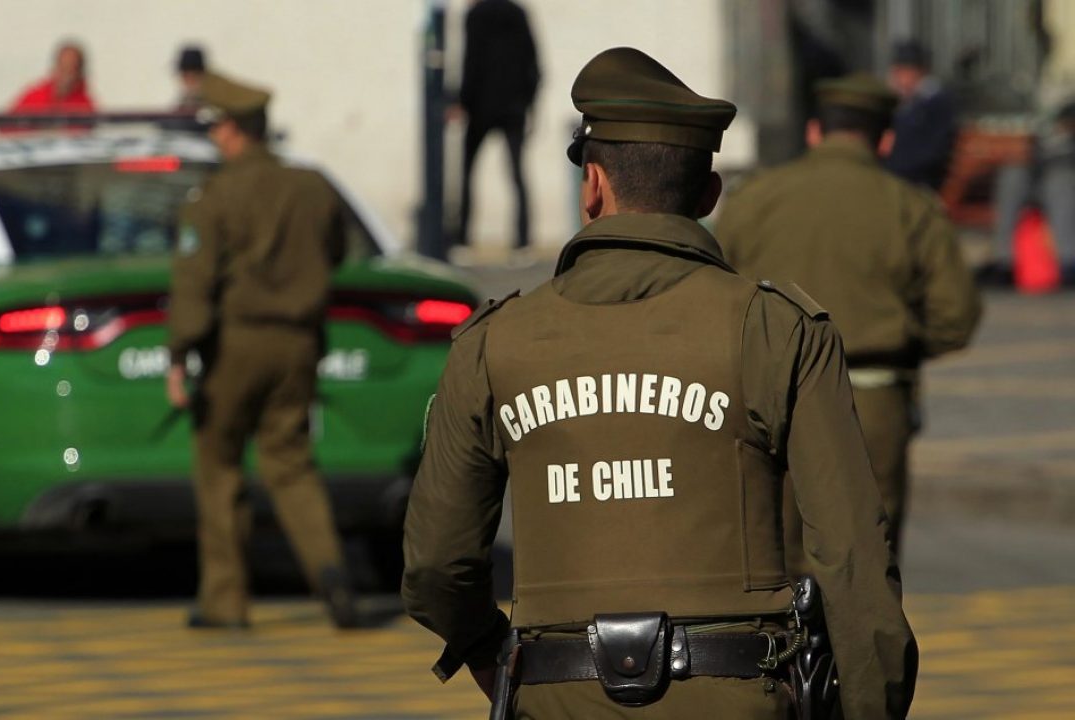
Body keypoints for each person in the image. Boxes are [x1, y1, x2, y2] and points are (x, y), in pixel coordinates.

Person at [404, 48, 917, 719]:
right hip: (741, 697)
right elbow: (852, 557)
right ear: (707, 195)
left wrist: (494, 654)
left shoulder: (493, 343)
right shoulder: (775, 328)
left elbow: (436, 566)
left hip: (561, 697)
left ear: (592, 184)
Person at [717, 73, 981, 560]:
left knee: (772, 563)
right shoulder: (910, 207)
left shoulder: (751, 199)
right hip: (872, 400)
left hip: (769, 400)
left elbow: (712, 295)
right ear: (886, 139)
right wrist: (898, 336)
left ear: (813, 132)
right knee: (864, 565)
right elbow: (955, 317)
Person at [165, 70, 358, 630]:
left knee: (221, 466)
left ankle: (225, 602)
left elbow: (194, 286)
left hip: (236, 344)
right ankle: (331, 575)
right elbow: (338, 252)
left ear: (229, 131)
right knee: (292, 463)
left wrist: (179, 355)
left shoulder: (214, 197)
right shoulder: (312, 185)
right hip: (299, 343)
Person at [451, 0, 540, 254]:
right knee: (517, 173)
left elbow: (471, 61)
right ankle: (523, 241)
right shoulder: (519, 13)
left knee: (468, 172)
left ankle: (463, 239)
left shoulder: (475, 15)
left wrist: (462, 101)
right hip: (514, 107)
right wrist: (529, 104)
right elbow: (533, 63)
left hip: (481, 106)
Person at [980, 100, 1075, 286]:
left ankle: (1068, 263)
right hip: (1042, 180)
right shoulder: (1053, 135)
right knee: (1013, 175)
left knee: (1061, 180)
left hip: (1064, 184)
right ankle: (1005, 262)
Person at [885, 40, 957, 189]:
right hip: (901, 175)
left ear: (918, 71)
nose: (896, 78)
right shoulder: (904, 102)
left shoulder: (935, 103)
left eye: (901, 71)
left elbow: (933, 152)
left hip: (920, 180)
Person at [10, 41, 96, 114]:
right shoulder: (34, 98)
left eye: (71, 69)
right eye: (63, 68)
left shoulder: (85, 108)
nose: (65, 76)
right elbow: (7, 126)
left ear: (79, 73)